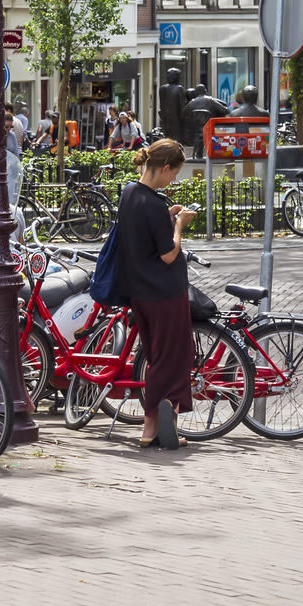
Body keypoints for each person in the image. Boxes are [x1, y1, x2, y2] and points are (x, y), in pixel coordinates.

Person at [113, 138, 199, 450]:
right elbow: (168, 253)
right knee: (175, 358)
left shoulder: (130, 194)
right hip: (165, 292)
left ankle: (151, 429)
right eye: (174, 174)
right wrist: (179, 224)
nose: (174, 179)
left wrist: (168, 216)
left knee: (155, 356)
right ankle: (165, 422)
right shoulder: (154, 205)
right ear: (164, 168)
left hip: (139, 293)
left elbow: (143, 236)